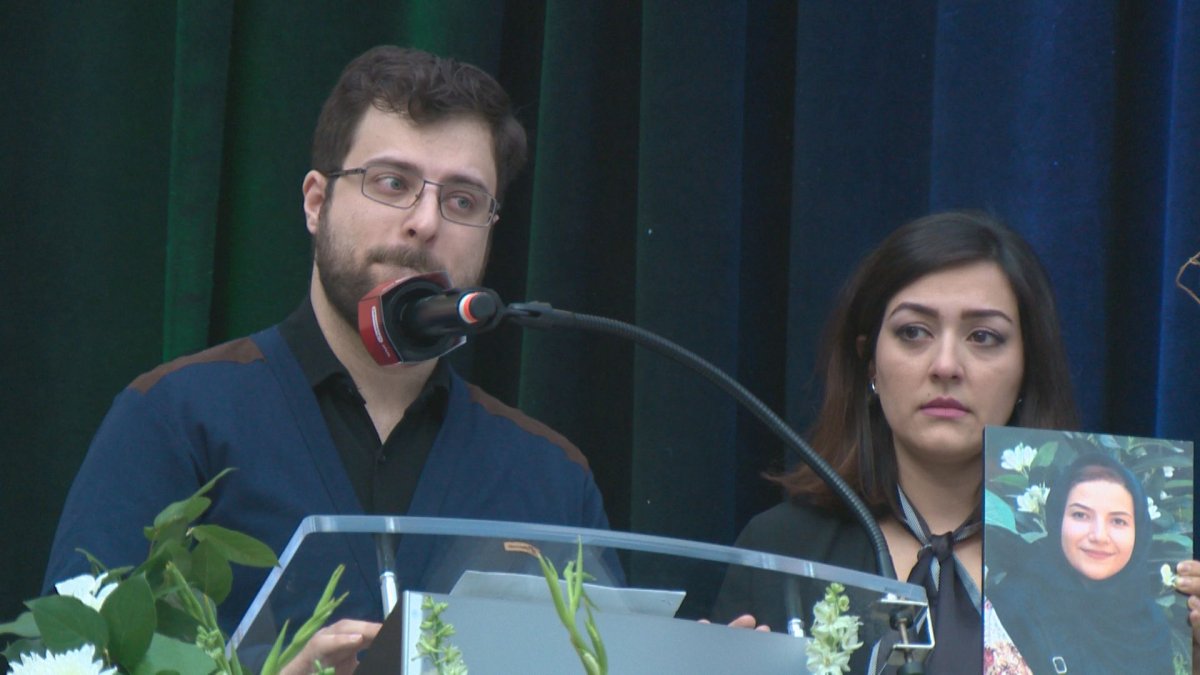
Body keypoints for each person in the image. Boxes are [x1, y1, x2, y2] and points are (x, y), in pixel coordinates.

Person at [43, 46, 610, 673]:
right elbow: (70, 660)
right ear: (317, 203)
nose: (425, 222)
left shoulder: (550, 476)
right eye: (393, 183)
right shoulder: (173, 421)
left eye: (463, 201)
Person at [713, 210, 1200, 673]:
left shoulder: (1086, 563)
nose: (945, 364)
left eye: (983, 337)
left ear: (1028, 368)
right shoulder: (779, 550)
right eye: (914, 332)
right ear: (869, 362)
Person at [985, 451, 1175, 674]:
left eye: (1118, 521)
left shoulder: (1150, 625)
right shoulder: (1010, 611)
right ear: (1057, 520)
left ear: (1139, 532)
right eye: (1081, 515)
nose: (1099, 535)